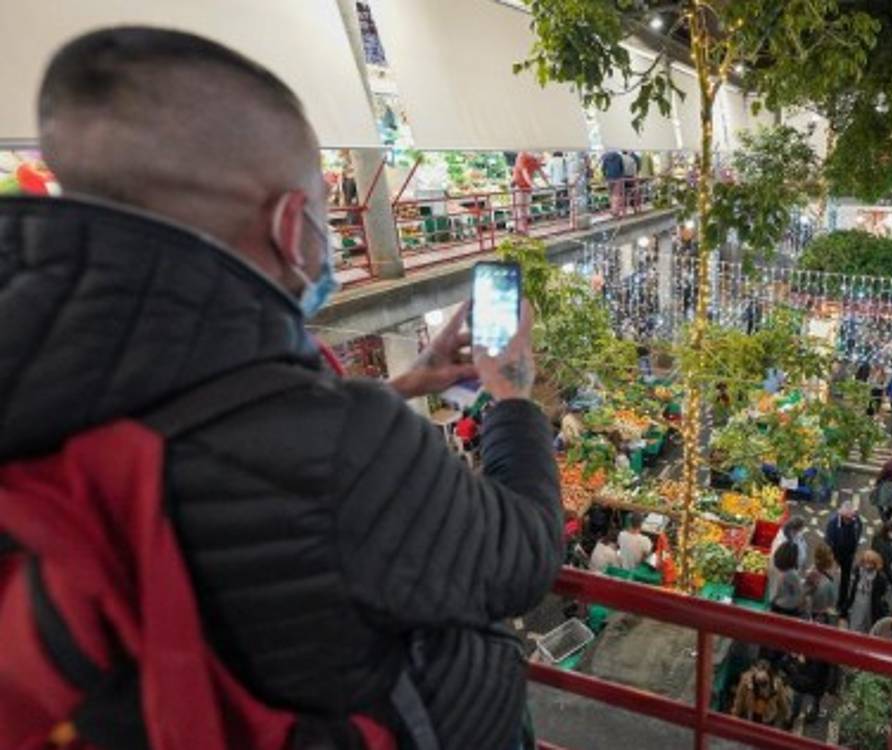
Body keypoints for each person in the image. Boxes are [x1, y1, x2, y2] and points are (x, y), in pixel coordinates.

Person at [1, 27, 561, 750]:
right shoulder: (340, 445)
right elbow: (525, 554)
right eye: (328, 222)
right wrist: (512, 391)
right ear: (292, 226)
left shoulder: (46, 373)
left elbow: (232, 441)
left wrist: (401, 387)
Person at [824, 501, 863, 612]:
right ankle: (827, 600)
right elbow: (828, 540)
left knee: (845, 580)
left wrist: (854, 552)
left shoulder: (856, 521)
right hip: (835, 555)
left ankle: (842, 603)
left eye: (851, 517)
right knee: (829, 577)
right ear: (841, 514)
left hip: (848, 555)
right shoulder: (833, 522)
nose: (849, 520)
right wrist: (831, 557)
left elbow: (858, 533)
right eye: (847, 518)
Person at [843, 550, 891, 634]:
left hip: (870, 604)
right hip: (857, 603)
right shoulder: (858, 571)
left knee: (867, 624)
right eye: (865, 562)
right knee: (855, 623)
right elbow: (852, 589)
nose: (867, 565)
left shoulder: (880, 577)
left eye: (870, 563)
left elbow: (882, 592)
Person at [731, 660, 791, 727]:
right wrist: (735, 714)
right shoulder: (746, 681)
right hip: (750, 715)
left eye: (764, 680)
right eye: (758, 680)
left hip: (768, 718)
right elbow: (739, 699)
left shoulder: (777, 684)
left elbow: (783, 702)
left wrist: (787, 715)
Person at [784, 653, 833, 726]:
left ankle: (797, 716)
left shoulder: (816, 660)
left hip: (810, 683)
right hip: (815, 683)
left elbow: (811, 675)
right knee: (811, 701)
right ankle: (804, 716)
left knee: (801, 699)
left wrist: (800, 664)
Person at [511, 150, 549, 233]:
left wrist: (548, 184)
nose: (540, 161)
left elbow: (541, 172)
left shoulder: (534, 159)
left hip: (527, 187)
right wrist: (533, 185)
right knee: (520, 208)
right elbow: (525, 174)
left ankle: (521, 228)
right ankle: (520, 229)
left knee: (526, 209)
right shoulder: (522, 157)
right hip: (518, 185)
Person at [804, 543, 840, 624]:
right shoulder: (825, 580)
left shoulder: (811, 573)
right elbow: (833, 601)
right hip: (820, 616)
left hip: (813, 613)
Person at [770, 542, 806, 618]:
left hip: (779, 604)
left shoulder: (782, 572)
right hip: (788, 608)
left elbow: (779, 591)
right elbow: (799, 593)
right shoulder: (793, 574)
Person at [871, 522, 892, 586]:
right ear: (889, 532)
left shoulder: (879, 535)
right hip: (882, 567)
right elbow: (886, 565)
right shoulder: (885, 547)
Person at [600, 149, 626, 215]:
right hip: (618, 178)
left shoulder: (606, 157)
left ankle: (612, 209)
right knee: (616, 195)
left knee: (610, 194)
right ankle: (616, 211)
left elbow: (603, 169)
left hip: (609, 178)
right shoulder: (619, 156)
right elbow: (622, 168)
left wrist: (605, 176)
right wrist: (621, 176)